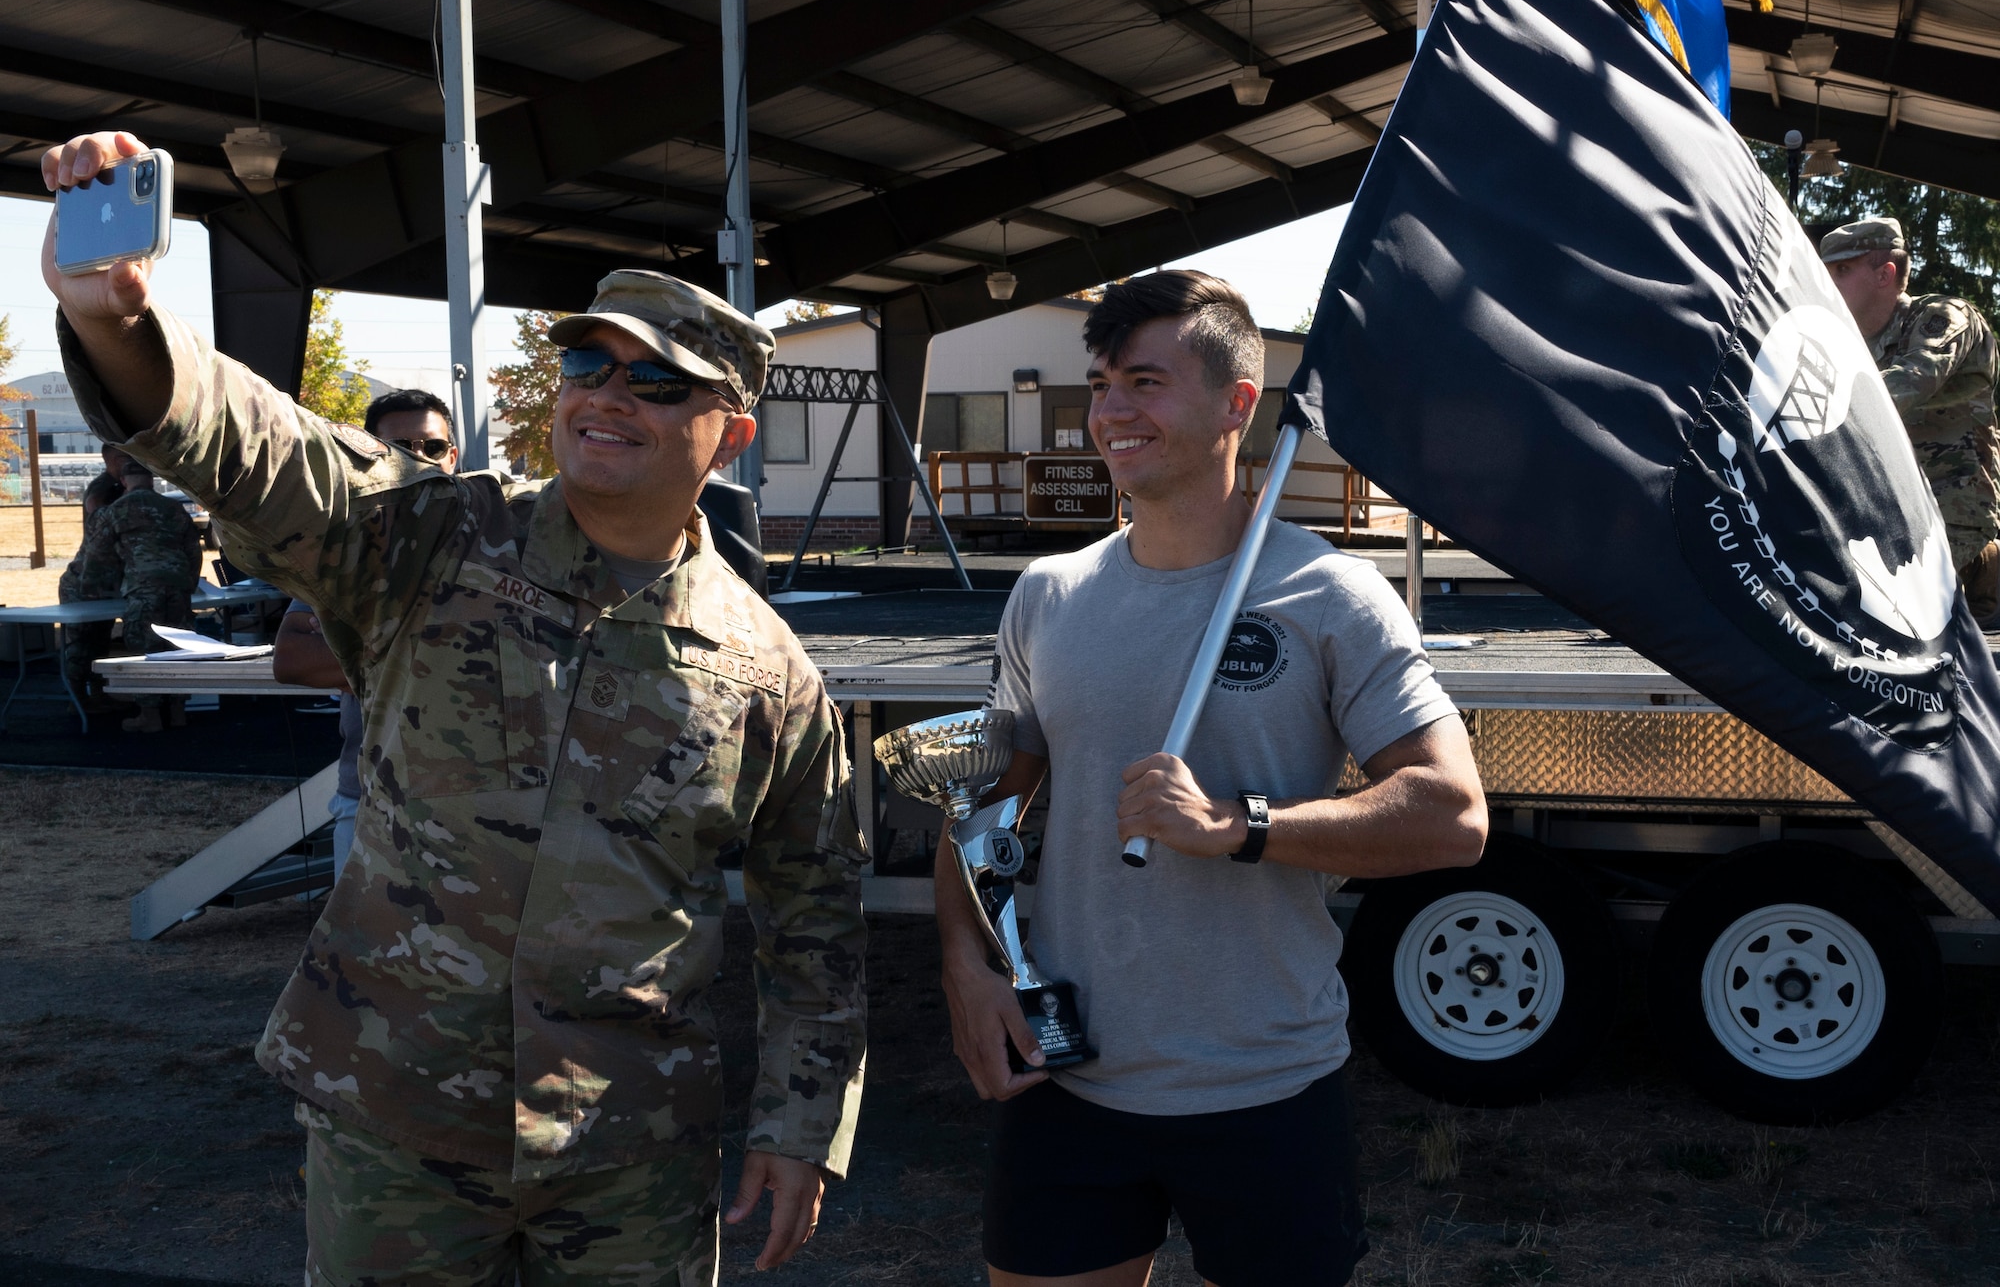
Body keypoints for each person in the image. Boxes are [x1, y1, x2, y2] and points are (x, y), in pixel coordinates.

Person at [44, 130, 866, 1285]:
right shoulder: (430, 535)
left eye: (656, 380)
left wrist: (799, 1128)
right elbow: (264, 451)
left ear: (729, 430)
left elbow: (815, 922)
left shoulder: (767, 668)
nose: (606, 396)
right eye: (587, 366)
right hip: (397, 1116)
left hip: (628, 1151)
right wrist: (115, 320)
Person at [939, 270, 1488, 1287]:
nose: (1109, 412)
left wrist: (1242, 826)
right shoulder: (1047, 594)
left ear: (1237, 403)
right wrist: (965, 966)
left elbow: (1451, 816)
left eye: (1143, 383)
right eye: (1100, 384)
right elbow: (985, 805)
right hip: (1071, 1080)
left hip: (1266, 1084)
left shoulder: (1330, 594)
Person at [272, 388, 460, 876]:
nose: (418, 460)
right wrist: (451, 644)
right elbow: (292, 658)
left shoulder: (498, 543)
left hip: (482, 806)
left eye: (432, 448)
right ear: (370, 457)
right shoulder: (346, 555)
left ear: (452, 457)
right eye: (399, 449)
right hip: (371, 797)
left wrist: (361, 642)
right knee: (359, 953)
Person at [1820, 216, 2000, 621]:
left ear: (1885, 274)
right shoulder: (1843, 340)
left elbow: (1909, 380)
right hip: (1886, 505)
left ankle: (1985, 568)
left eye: (1842, 270)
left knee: (1891, 606)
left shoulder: (1944, 317)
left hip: (1953, 504)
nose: (1827, 281)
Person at [74, 457, 202, 732]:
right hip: (178, 586)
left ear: (123, 481)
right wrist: (188, 583)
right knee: (178, 647)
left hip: (143, 587)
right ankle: (178, 712)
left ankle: (150, 716)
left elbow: (97, 554)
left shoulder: (117, 510)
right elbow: (193, 549)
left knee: (146, 648)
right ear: (152, 479)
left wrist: (91, 589)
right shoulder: (174, 508)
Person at [57, 464, 129, 709]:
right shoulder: (102, 497)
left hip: (103, 585)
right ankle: (76, 700)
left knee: (99, 642)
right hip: (82, 584)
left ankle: (98, 694)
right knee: (80, 645)